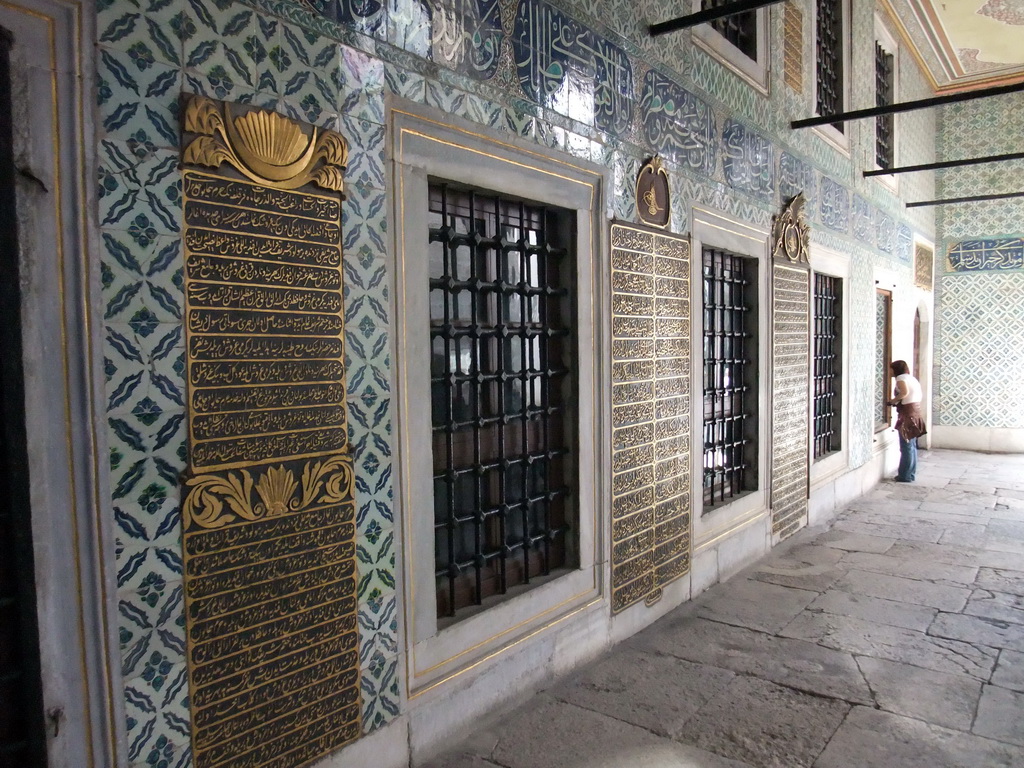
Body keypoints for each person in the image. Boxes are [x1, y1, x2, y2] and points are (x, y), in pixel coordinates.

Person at [887, 360, 926, 482]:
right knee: (911, 446)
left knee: (906, 446)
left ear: (895, 369)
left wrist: (893, 401)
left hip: (907, 414)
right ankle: (910, 474)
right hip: (915, 412)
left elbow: (904, 392)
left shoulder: (901, 378)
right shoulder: (911, 378)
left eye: (891, 369)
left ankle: (905, 476)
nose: (890, 372)